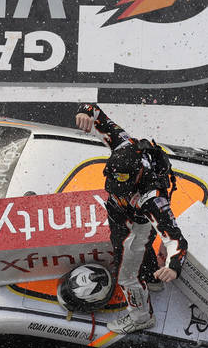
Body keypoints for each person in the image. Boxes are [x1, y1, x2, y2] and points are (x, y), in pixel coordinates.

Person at [74, 104, 189, 333]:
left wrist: (174, 266)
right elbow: (95, 112)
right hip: (124, 220)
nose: (116, 189)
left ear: (136, 175)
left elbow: (177, 241)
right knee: (141, 253)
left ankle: (141, 317)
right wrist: (84, 112)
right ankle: (151, 278)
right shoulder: (124, 144)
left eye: (123, 186)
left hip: (133, 227)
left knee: (126, 276)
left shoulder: (152, 199)